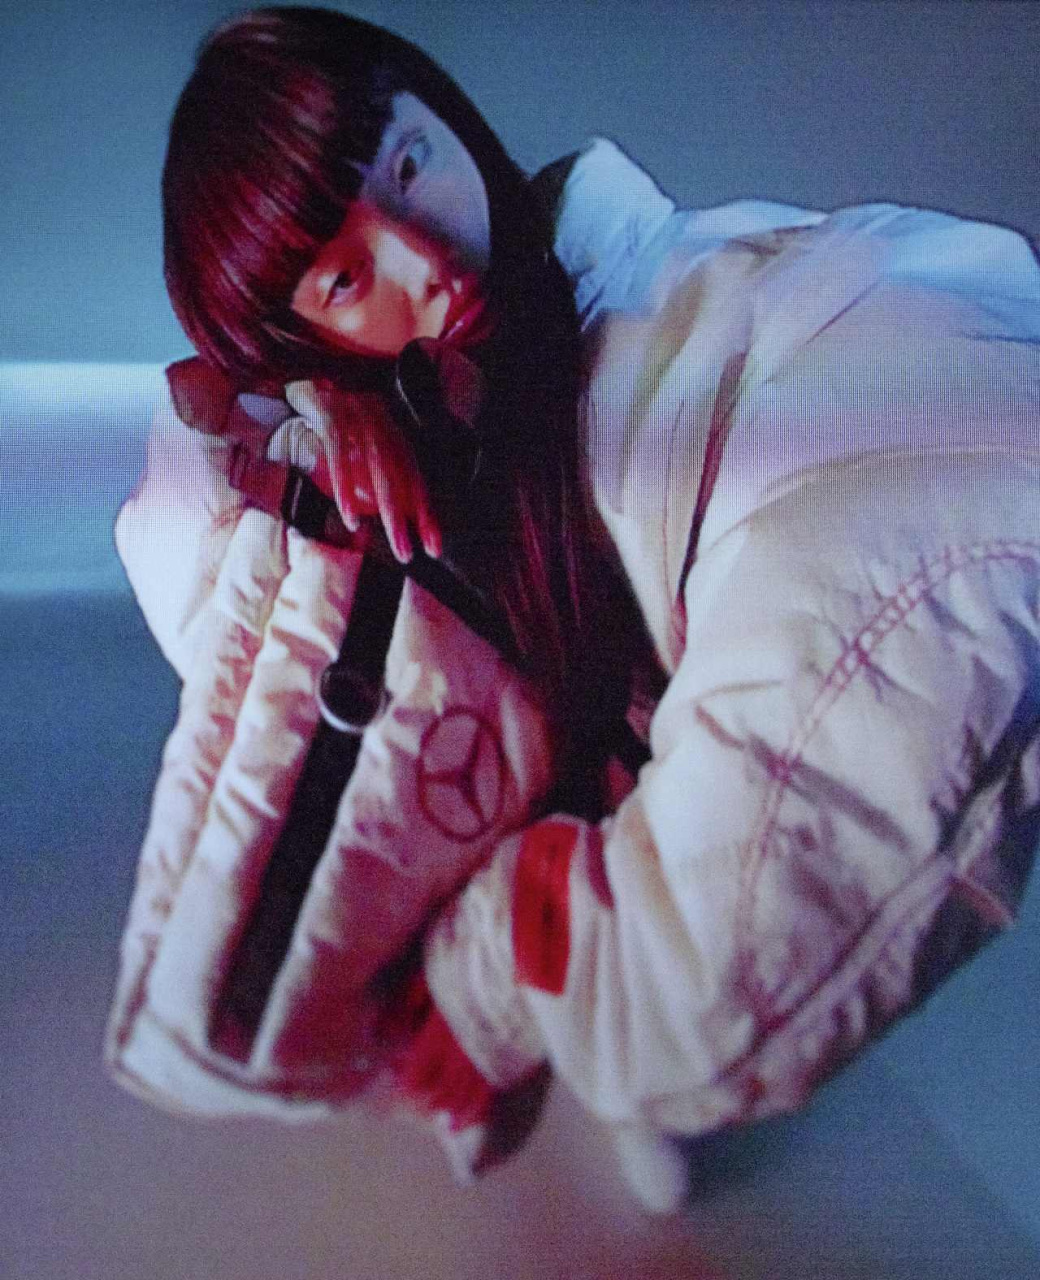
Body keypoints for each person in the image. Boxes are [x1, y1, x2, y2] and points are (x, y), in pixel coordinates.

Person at [109, 5, 1040, 1208]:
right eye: (344, 277)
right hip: (590, 788)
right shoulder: (396, 433)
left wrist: (495, 977)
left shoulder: (697, 304)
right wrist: (313, 399)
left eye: (410, 163)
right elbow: (192, 561)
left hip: (659, 795)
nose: (427, 260)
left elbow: (707, 966)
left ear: (444, 110)